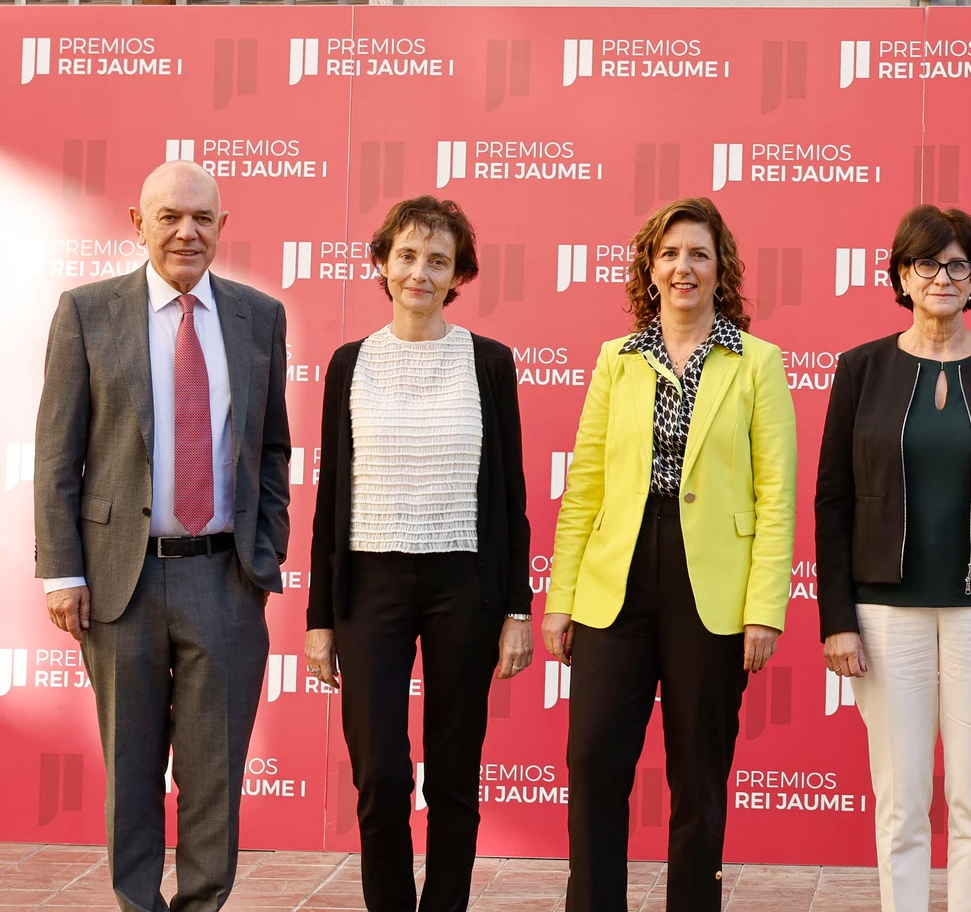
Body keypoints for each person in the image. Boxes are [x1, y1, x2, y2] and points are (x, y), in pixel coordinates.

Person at [35, 160, 291, 912]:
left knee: (215, 774)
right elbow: (58, 451)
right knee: (132, 769)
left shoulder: (258, 316)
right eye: (171, 215)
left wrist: (263, 554)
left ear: (221, 228)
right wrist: (62, 572)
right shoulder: (87, 311)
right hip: (122, 581)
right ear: (137, 222)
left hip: (224, 578)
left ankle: (203, 905)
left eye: (203, 218)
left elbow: (272, 448)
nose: (187, 231)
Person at [542, 197, 797, 912]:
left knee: (698, 773)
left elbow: (776, 494)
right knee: (593, 759)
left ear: (722, 270)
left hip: (710, 588)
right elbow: (584, 484)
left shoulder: (757, 363)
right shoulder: (616, 361)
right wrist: (561, 598)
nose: (683, 267)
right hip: (613, 581)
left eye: (699, 254)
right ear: (649, 269)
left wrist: (764, 608)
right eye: (669, 254)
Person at [815, 205, 971, 912]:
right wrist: (838, 618)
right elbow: (833, 501)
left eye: (958, 264)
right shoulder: (862, 369)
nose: (943, 277)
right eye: (927, 263)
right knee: (901, 797)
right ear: (901, 274)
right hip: (886, 614)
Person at [303, 197, 533, 912]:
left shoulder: (489, 361)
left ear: (458, 272)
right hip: (369, 583)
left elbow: (511, 494)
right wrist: (318, 618)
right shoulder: (349, 364)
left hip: (463, 582)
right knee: (379, 769)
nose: (420, 272)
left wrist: (518, 605)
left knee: (455, 770)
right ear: (381, 262)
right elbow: (330, 495)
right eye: (406, 256)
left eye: (437, 260)